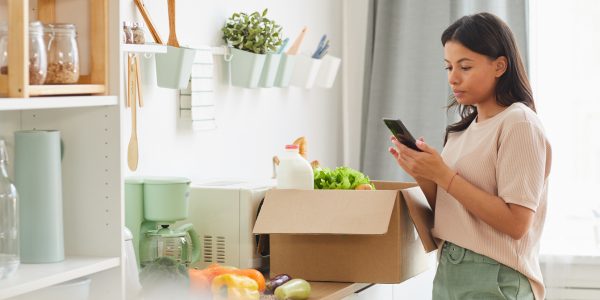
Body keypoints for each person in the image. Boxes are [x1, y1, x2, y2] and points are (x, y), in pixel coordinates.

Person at [388, 12, 552, 300]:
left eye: (464, 66)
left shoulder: (519, 124)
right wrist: (423, 173)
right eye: (449, 66)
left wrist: (443, 175)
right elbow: (453, 210)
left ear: (500, 65)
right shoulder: (462, 130)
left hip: (496, 278)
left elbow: (516, 224)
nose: (453, 77)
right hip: (450, 270)